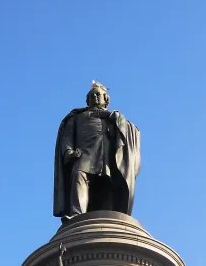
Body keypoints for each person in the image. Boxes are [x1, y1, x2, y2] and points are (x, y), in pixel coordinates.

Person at [53, 82, 141, 219]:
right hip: (83, 155)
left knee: (107, 186)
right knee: (79, 176)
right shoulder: (76, 118)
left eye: (98, 94)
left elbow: (131, 131)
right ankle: (77, 215)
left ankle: (108, 218)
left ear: (106, 99)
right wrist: (68, 151)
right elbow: (67, 137)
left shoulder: (114, 118)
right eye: (91, 95)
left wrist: (113, 117)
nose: (95, 97)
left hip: (107, 158)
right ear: (87, 100)